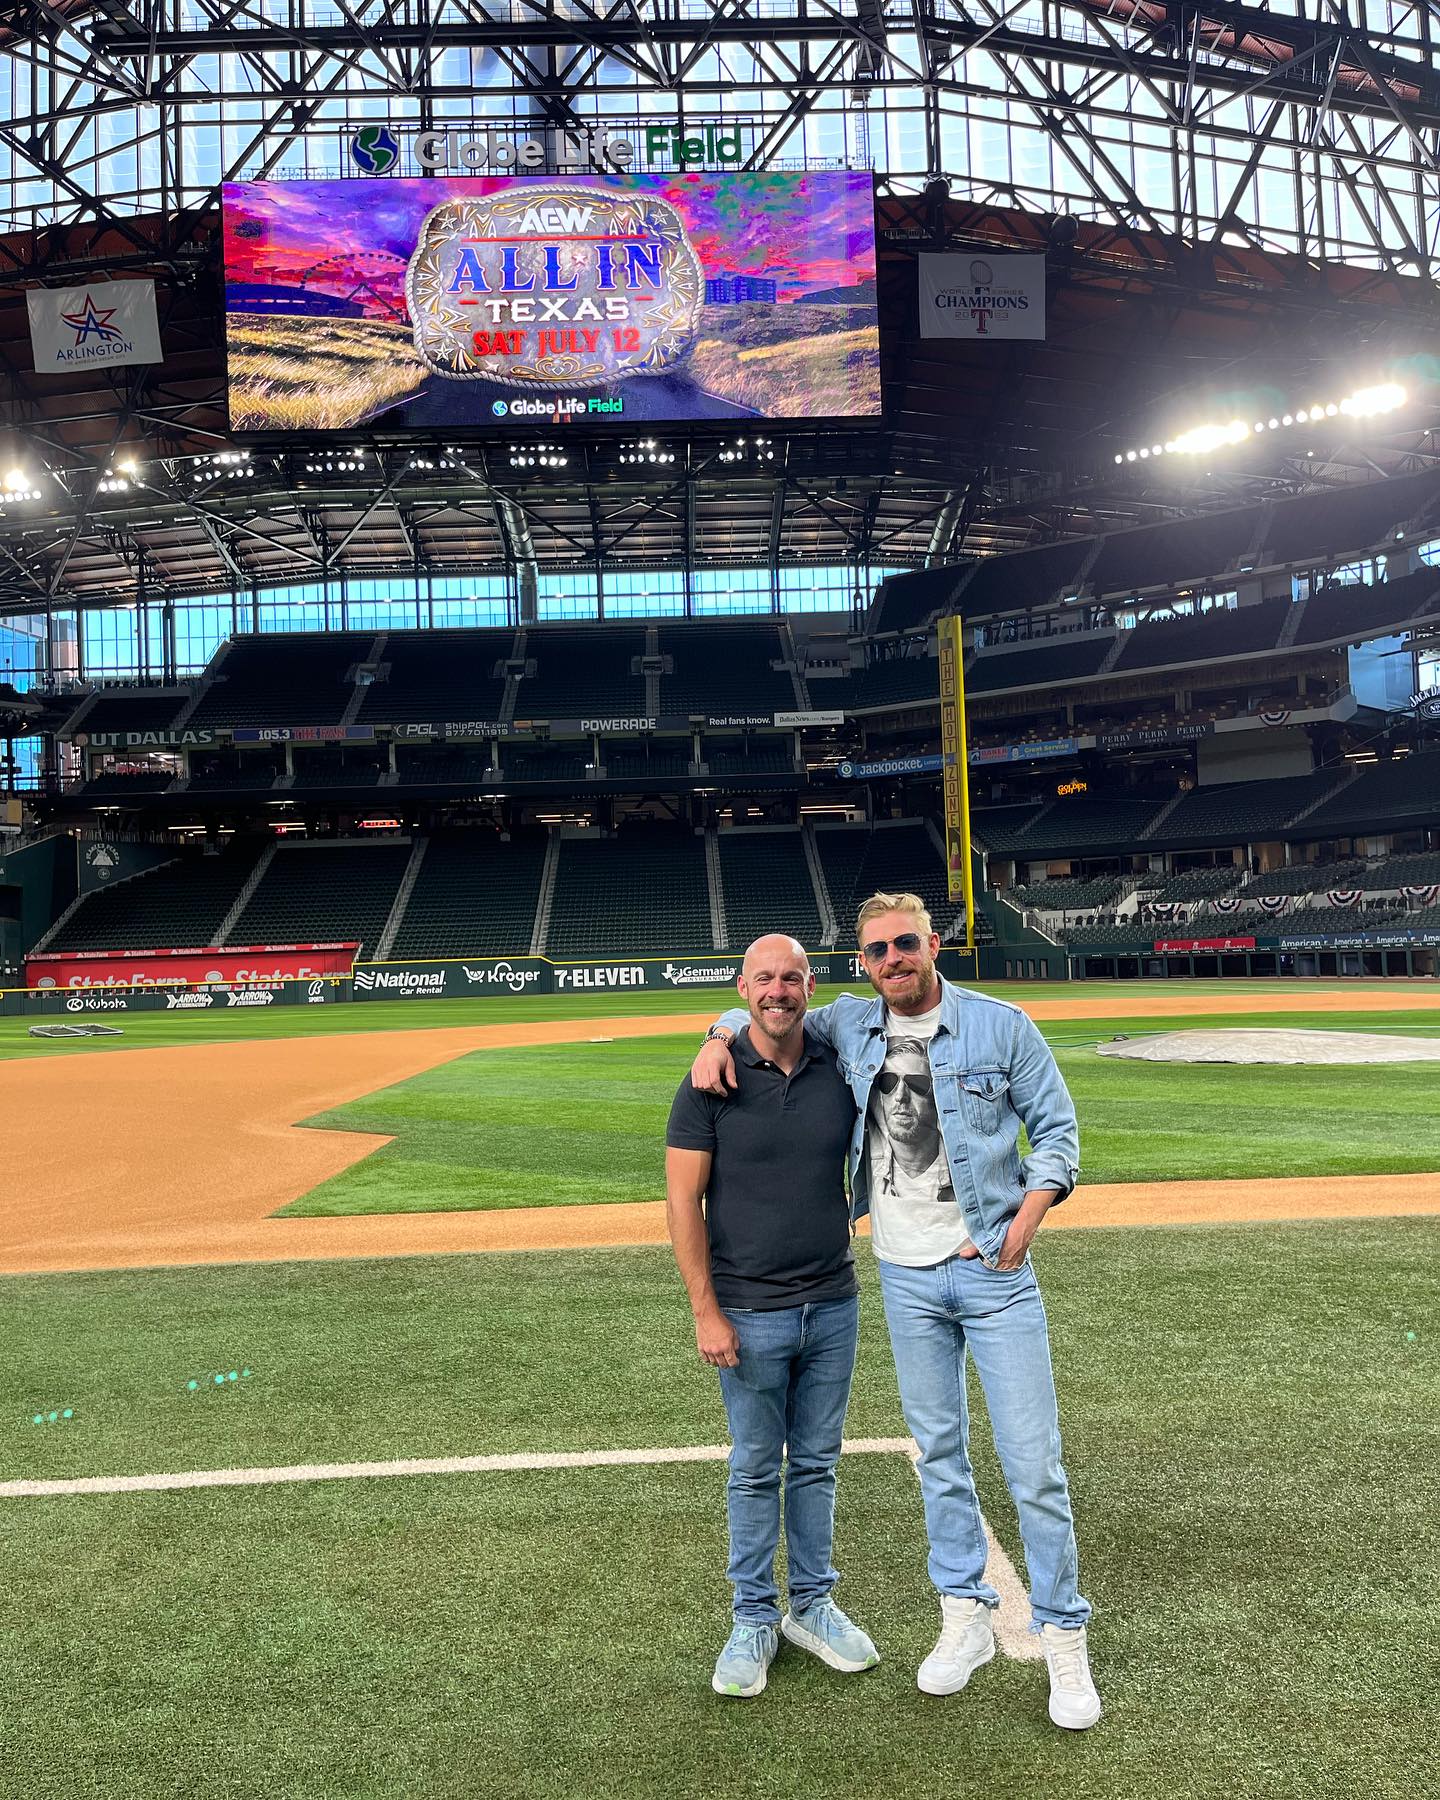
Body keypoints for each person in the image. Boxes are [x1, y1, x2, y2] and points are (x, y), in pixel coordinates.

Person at [690, 894, 1101, 1730]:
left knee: (1033, 1465)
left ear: (932, 942)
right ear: (864, 963)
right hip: (904, 1278)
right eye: (876, 951)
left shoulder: (1000, 1025)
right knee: (940, 1455)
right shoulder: (853, 1022)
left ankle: (1064, 1639)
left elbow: (1057, 1131)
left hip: (992, 1271)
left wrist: (1027, 1218)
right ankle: (965, 1619)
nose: (892, 960)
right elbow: (767, 1003)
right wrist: (715, 1035)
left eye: (905, 944)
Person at [666, 933, 880, 1699]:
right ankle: (754, 1616)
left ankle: (811, 1607)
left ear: (810, 986)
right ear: (742, 984)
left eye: (791, 978)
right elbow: (681, 1204)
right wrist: (706, 1313)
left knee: (817, 1463)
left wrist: (719, 1026)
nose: (778, 991)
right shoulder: (707, 1084)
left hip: (833, 1302)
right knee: (756, 1470)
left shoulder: (841, 1067)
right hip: (748, 1311)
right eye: (763, 979)